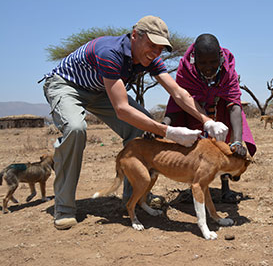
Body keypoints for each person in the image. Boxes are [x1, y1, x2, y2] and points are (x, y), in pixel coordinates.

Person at [40, 16, 229, 230]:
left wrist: (206, 121)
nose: (155, 52)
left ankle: (135, 197)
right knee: (75, 129)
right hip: (67, 86)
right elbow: (121, 109)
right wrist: (168, 131)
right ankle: (64, 207)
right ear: (134, 36)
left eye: (160, 48)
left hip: (101, 90)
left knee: (142, 126)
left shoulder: (151, 58)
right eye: (151, 45)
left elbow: (178, 93)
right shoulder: (109, 52)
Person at [163, 33, 256, 203]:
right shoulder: (185, 68)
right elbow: (178, 101)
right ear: (194, 59)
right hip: (194, 110)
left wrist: (237, 141)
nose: (208, 68)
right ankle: (195, 184)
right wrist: (162, 127)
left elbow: (234, 102)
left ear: (220, 58)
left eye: (213, 62)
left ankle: (226, 188)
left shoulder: (228, 65)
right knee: (196, 144)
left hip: (221, 108)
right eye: (202, 63)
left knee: (226, 144)